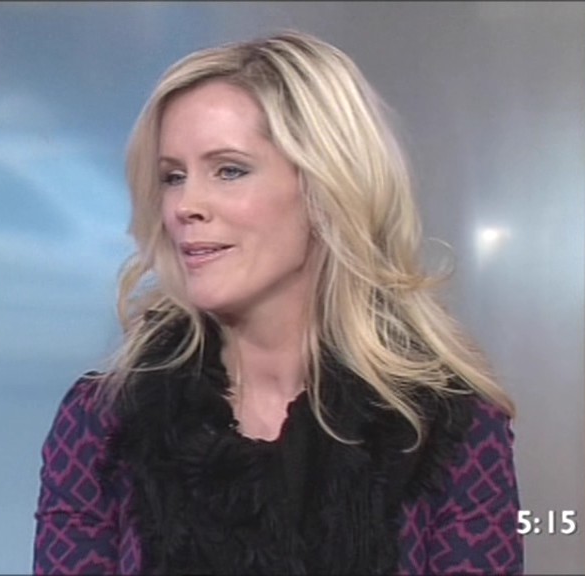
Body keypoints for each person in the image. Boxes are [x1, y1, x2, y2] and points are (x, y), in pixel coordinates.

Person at [33, 30, 523, 575]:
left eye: (229, 170)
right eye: (173, 177)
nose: (184, 206)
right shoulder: (102, 423)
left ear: (325, 187)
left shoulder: (449, 426)